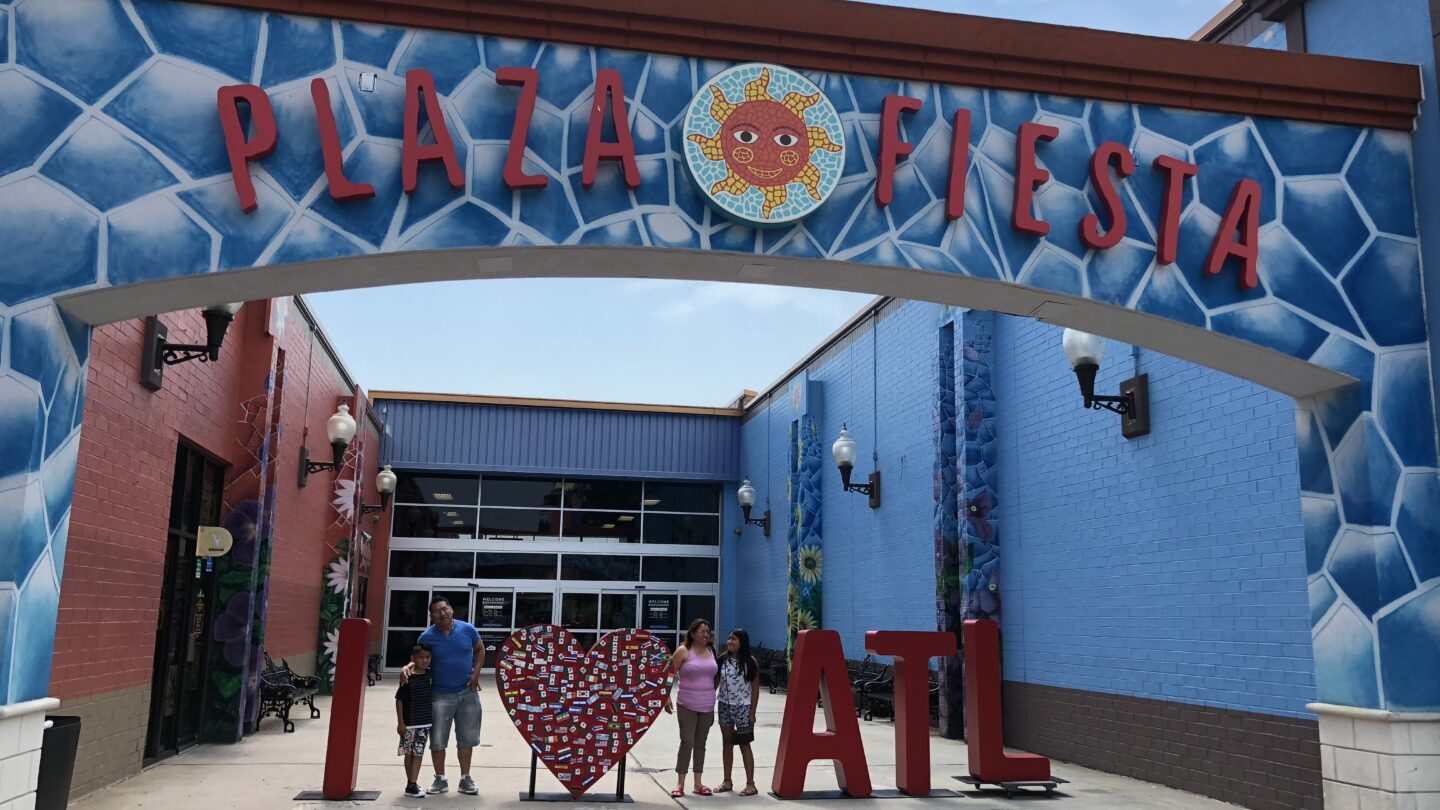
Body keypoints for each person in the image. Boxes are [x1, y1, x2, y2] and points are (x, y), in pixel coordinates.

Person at [401, 597, 484, 796]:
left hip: (467, 693)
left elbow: (480, 649)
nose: (442, 613)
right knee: (438, 740)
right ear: (431, 616)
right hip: (439, 695)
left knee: (467, 738)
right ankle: (440, 779)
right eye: (437, 611)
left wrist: (476, 674)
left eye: (445, 608)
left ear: (452, 609)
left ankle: (465, 778)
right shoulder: (426, 637)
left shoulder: (468, 629)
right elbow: (420, 659)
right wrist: (407, 666)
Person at [663, 618, 718, 798]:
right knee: (688, 741)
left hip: (707, 705)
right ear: (693, 633)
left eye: (707, 631)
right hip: (687, 704)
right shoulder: (683, 651)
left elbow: (714, 676)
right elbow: (669, 673)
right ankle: (680, 783)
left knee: (701, 744)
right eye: (702, 631)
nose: (705, 634)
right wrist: (666, 696)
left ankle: (698, 783)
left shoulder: (711, 651)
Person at [713, 628, 760, 796]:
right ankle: (727, 781)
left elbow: (755, 688)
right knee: (727, 742)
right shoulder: (722, 660)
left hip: (743, 707)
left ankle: (751, 784)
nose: (730, 642)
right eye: (729, 638)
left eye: (734, 639)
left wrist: (752, 712)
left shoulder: (750, 662)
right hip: (724, 705)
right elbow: (715, 683)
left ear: (742, 642)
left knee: (744, 744)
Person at [395, 643, 434, 799]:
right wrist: (400, 722)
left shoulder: (431, 675)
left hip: (425, 723)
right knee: (409, 753)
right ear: (413, 658)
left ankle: (413, 782)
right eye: (421, 657)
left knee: (418, 753)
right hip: (409, 723)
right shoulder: (407, 677)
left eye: (428, 657)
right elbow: (399, 700)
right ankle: (410, 784)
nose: (424, 660)